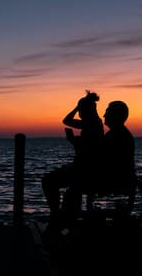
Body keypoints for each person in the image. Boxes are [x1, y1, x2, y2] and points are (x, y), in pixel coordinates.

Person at [41, 91, 104, 225]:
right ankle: (59, 215)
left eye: (81, 109)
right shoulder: (93, 123)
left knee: (48, 181)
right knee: (56, 178)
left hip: (85, 169)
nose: (79, 112)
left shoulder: (90, 124)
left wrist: (72, 140)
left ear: (85, 110)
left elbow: (67, 121)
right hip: (86, 167)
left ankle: (56, 215)